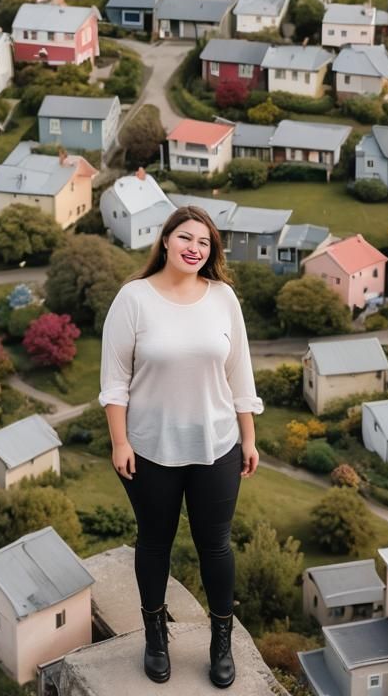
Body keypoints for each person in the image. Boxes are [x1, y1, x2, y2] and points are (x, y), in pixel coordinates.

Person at [100, 205, 263, 689]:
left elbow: (240, 373)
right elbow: (114, 382)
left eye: (206, 243)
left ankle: (221, 643)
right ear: (166, 240)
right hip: (148, 449)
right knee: (154, 541)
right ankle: (155, 635)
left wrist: (249, 436)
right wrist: (119, 441)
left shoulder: (223, 298)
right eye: (187, 238)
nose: (196, 248)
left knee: (216, 545)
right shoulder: (133, 299)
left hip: (217, 445)